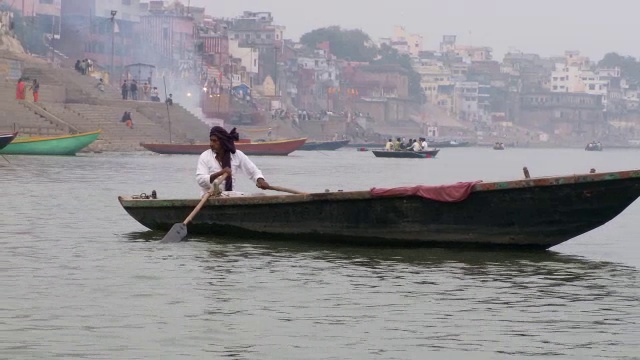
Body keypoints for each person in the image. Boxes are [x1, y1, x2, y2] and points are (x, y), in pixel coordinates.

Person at [196, 126, 269, 197]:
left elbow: (253, 172)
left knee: (261, 196)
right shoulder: (205, 156)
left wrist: (260, 181)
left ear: (222, 142)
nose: (211, 144)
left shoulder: (237, 155)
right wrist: (220, 173)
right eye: (211, 140)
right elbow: (200, 180)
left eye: (214, 141)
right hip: (209, 196)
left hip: (229, 195)